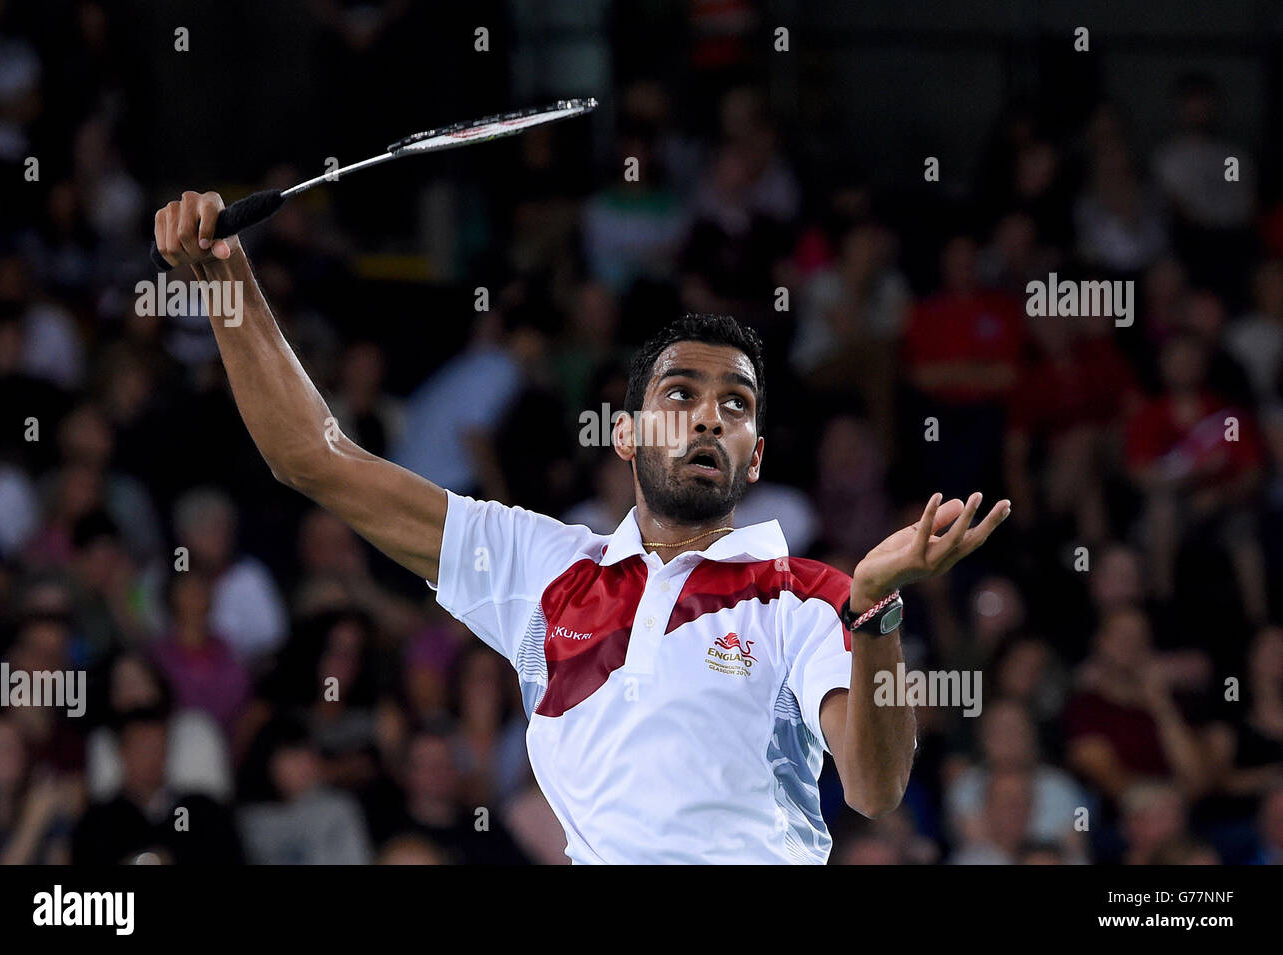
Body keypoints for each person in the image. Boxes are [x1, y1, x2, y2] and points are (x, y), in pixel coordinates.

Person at [152, 191, 1011, 864]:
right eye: (680, 395)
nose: (708, 418)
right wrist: (228, 280)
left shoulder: (807, 599)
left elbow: (873, 787)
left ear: (755, 459)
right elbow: (316, 455)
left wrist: (877, 608)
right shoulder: (544, 567)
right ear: (626, 434)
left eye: (736, 405)